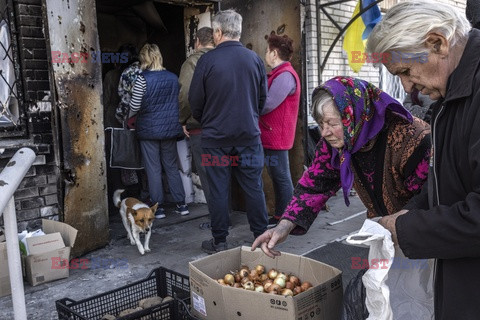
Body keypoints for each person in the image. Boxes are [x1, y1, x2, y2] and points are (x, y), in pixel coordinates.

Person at [366, 1, 479, 318]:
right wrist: (411, 211)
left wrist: (407, 228)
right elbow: (449, 177)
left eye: (405, 71)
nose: (407, 87)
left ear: (438, 42)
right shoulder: (451, 93)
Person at [251, 76, 430, 254]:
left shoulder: (411, 138)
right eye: (321, 123)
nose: (324, 132)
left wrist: (398, 224)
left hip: (421, 232)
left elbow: (429, 196)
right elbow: (316, 183)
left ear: (355, 114)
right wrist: (283, 226)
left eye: (332, 123)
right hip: (383, 230)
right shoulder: (338, 140)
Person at [189, 9, 269, 254]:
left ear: (218, 32)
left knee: (218, 190)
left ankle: (220, 241)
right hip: (248, 137)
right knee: (254, 186)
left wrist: (209, 120)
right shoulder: (255, 59)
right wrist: (248, 118)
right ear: (239, 31)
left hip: (215, 138)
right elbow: (262, 99)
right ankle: (261, 237)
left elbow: (195, 102)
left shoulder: (206, 61)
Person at [129, 43, 189, 219]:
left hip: (148, 130)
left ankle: (159, 208)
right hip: (170, 129)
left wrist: (130, 117)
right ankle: (182, 204)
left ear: (144, 59)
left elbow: (134, 105)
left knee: (153, 168)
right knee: (171, 166)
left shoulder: (142, 79)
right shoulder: (172, 77)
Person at [261, 33, 301, 228]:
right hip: (272, 134)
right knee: (278, 177)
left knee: (282, 177)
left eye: (267, 51)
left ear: (274, 53)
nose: (266, 54)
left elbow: (268, 104)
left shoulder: (285, 75)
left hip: (276, 135)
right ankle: (280, 217)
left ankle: (290, 220)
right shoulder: (280, 74)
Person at [178, 27, 214, 216]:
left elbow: (185, 94)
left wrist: (184, 119)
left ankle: (218, 220)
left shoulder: (192, 62)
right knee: (223, 173)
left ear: (197, 42)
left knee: (208, 175)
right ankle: (226, 214)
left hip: (201, 129)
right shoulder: (221, 59)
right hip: (225, 127)